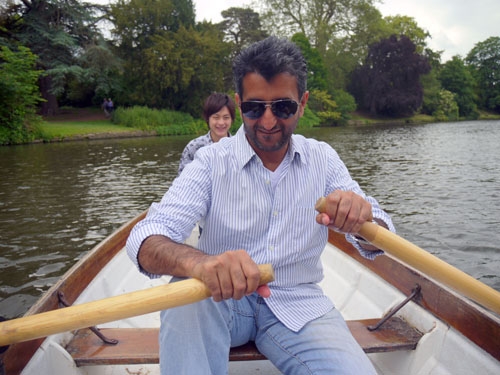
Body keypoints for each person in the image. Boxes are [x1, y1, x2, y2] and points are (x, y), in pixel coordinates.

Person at [126, 36, 395, 375]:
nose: (268, 121)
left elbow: (378, 231)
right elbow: (146, 236)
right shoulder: (210, 162)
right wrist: (200, 265)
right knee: (185, 299)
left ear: (303, 103)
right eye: (255, 108)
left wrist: (363, 217)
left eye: (283, 107)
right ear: (239, 104)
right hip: (220, 299)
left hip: (300, 305)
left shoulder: (323, 160)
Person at [177, 92, 235, 175]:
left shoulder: (239, 147)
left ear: (232, 119)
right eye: (216, 117)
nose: (221, 122)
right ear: (208, 118)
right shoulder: (194, 147)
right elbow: (182, 181)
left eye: (226, 117)